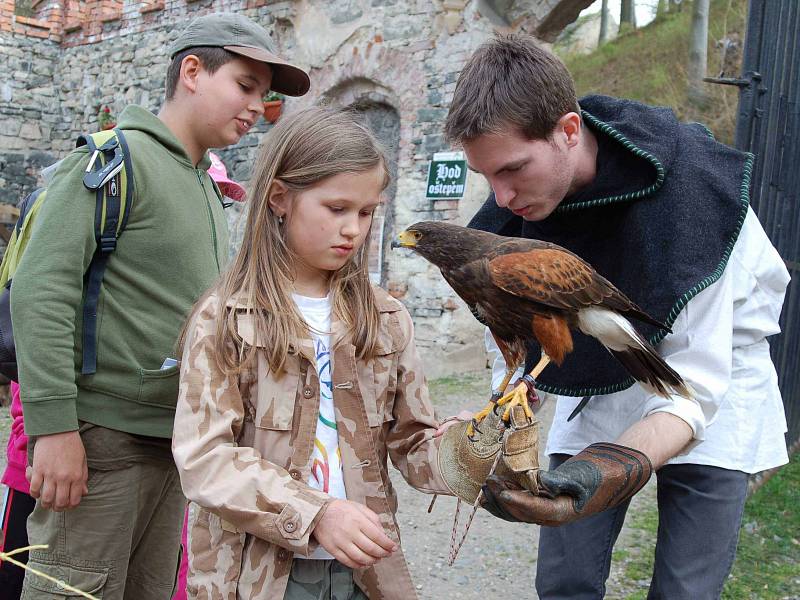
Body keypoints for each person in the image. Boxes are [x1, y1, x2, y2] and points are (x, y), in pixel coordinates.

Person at [444, 34, 790, 599]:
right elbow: (513, 339)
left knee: (685, 590)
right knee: (565, 581)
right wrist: (505, 410)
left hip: (715, 375)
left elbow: (693, 386)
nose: (502, 197)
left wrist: (611, 468)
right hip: (596, 382)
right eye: (487, 177)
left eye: (513, 169)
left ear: (569, 131)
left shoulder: (694, 197)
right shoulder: (512, 217)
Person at [11, 12, 310, 599]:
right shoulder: (113, 164)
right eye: (245, 86)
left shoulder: (202, 182)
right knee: (74, 589)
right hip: (101, 446)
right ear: (192, 71)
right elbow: (40, 291)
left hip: (171, 444)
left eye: (265, 97)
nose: (255, 107)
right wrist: (53, 430)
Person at [172, 106, 451, 600]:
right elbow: (204, 458)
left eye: (366, 213)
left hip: (364, 572)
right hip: (256, 576)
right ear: (280, 198)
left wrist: (470, 447)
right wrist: (316, 512)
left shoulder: (385, 319)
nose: (354, 230)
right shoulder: (224, 317)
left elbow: (412, 443)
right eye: (337, 209)